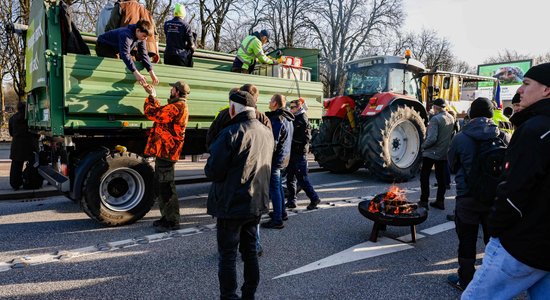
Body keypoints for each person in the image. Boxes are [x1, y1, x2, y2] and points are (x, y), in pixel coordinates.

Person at [461, 63, 550, 299]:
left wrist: (497, 228)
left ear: (547, 91)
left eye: (527, 84)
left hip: (522, 244)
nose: (520, 89)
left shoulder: (534, 130)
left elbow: (514, 189)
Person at [205, 90, 274, 300]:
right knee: (250, 252)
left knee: (227, 255)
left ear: (233, 108)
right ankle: (249, 295)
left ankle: (229, 296)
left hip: (231, 203)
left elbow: (213, 171)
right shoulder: (266, 131)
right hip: (256, 202)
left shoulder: (231, 132)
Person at [446, 97, 510, 291]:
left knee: (466, 239)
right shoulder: (504, 136)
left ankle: (465, 280)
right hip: (495, 198)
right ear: (491, 114)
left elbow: (451, 165)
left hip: (468, 197)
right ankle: (492, 281)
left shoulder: (460, 137)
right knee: (492, 241)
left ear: (471, 114)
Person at [142, 80, 189, 232]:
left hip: (167, 152)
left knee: (166, 187)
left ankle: (173, 221)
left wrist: (151, 96)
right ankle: (166, 217)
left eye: (172, 88)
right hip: (165, 151)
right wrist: (153, 97)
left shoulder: (177, 106)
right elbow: (161, 112)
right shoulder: (176, 105)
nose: (170, 90)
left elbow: (153, 113)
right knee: (162, 186)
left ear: (176, 91)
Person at [261, 94, 294, 229]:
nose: (269, 102)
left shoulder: (277, 119)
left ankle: (277, 219)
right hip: (285, 157)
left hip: (276, 158)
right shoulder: (288, 118)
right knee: (278, 186)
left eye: (270, 101)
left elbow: (272, 142)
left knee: (274, 188)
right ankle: (282, 212)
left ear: (275, 103)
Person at [97, 20, 159, 86]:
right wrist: (136, 74)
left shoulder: (141, 37)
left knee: (130, 60)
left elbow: (143, 54)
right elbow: (125, 54)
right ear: (138, 30)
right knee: (116, 62)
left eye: (146, 37)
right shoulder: (126, 35)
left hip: (115, 48)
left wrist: (152, 73)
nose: (145, 39)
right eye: (144, 36)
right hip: (103, 46)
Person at [419, 98, 454, 210]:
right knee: (441, 178)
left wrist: (422, 147)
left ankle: (424, 201)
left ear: (435, 108)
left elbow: (432, 138)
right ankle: (440, 201)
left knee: (424, 176)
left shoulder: (435, 119)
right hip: (443, 153)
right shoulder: (451, 118)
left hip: (431, 153)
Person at [285, 98, 321, 210]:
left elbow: (306, 139)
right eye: (290, 107)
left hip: (299, 154)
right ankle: (291, 201)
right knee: (290, 178)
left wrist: (294, 142)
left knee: (302, 179)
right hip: (292, 153)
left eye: (292, 107)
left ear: (299, 107)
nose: (290, 109)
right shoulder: (294, 117)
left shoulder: (302, 119)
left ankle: (314, 198)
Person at [9, 102, 39, 191]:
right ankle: (31, 181)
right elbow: (36, 133)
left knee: (16, 165)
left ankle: (15, 184)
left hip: (17, 145)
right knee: (32, 164)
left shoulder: (12, 118)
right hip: (30, 144)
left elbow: (11, 133)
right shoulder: (31, 118)